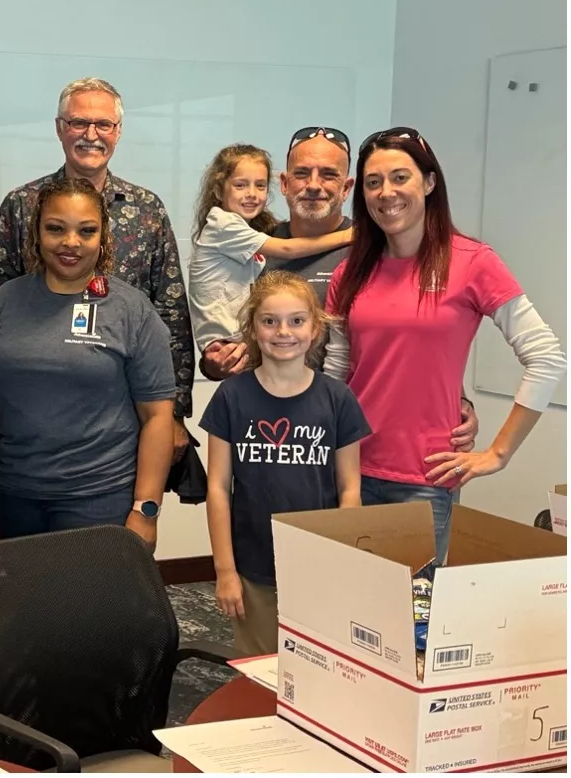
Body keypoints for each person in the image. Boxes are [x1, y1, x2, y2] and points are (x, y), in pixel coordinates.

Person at [324, 127, 566, 562]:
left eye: (401, 177)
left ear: (430, 183)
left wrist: (498, 453)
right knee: (350, 613)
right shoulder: (351, 272)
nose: (386, 193)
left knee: (415, 618)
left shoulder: (473, 262)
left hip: (424, 478)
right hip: (347, 468)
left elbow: (547, 357)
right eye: (374, 182)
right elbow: (337, 373)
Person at [199, 128, 480, 455]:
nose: (314, 185)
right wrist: (214, 363)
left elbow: (422, 334)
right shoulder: (253, 250)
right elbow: (223, 324)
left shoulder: (382, 249)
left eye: (329, 175)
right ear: (285, 184)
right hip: (264, 440)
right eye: (302, 174)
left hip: (353, 438)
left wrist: (460, 401)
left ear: (347, 188)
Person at [0, 77, 194, 461]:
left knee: (117, 519)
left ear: (118, 132)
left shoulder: (147, 210)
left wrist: (175, 409)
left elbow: (171, 311)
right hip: (33, 414)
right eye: (78, 123)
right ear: (60, 128)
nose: (91, 135)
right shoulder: (22, 205)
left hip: (123, 413)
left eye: (103, 125)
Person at [0, 177, 175, 550]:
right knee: (27, 605)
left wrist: (146, 510)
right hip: (16, 494)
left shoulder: (132, 310)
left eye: (86, 231)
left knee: (88, 607)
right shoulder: (3, 304)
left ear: (103, 238)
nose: (71, 243)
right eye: (56, 229)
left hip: (100, 496)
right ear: (36, 233)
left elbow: (158, 417)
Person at [204, 271, 369, 655]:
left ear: (315, 328)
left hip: (319, 565)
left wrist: (342, 559)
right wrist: (225, 571)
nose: (284, 332)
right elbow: (217, 488)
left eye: (297, 320)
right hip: (253, 568)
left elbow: (350, 489)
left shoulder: (337, 398)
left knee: (319, 668)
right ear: (252, 328)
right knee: (260, 671)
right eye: (269, 321)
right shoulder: (231, 396)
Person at [187, 143, 352, 359]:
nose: (252, 194)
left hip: (327, 383)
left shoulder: (251, 234)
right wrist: (349, 235)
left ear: (347, 188)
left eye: (260, 186)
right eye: (240, 185)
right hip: (233, 343)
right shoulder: (225, 225)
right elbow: (287, 248)